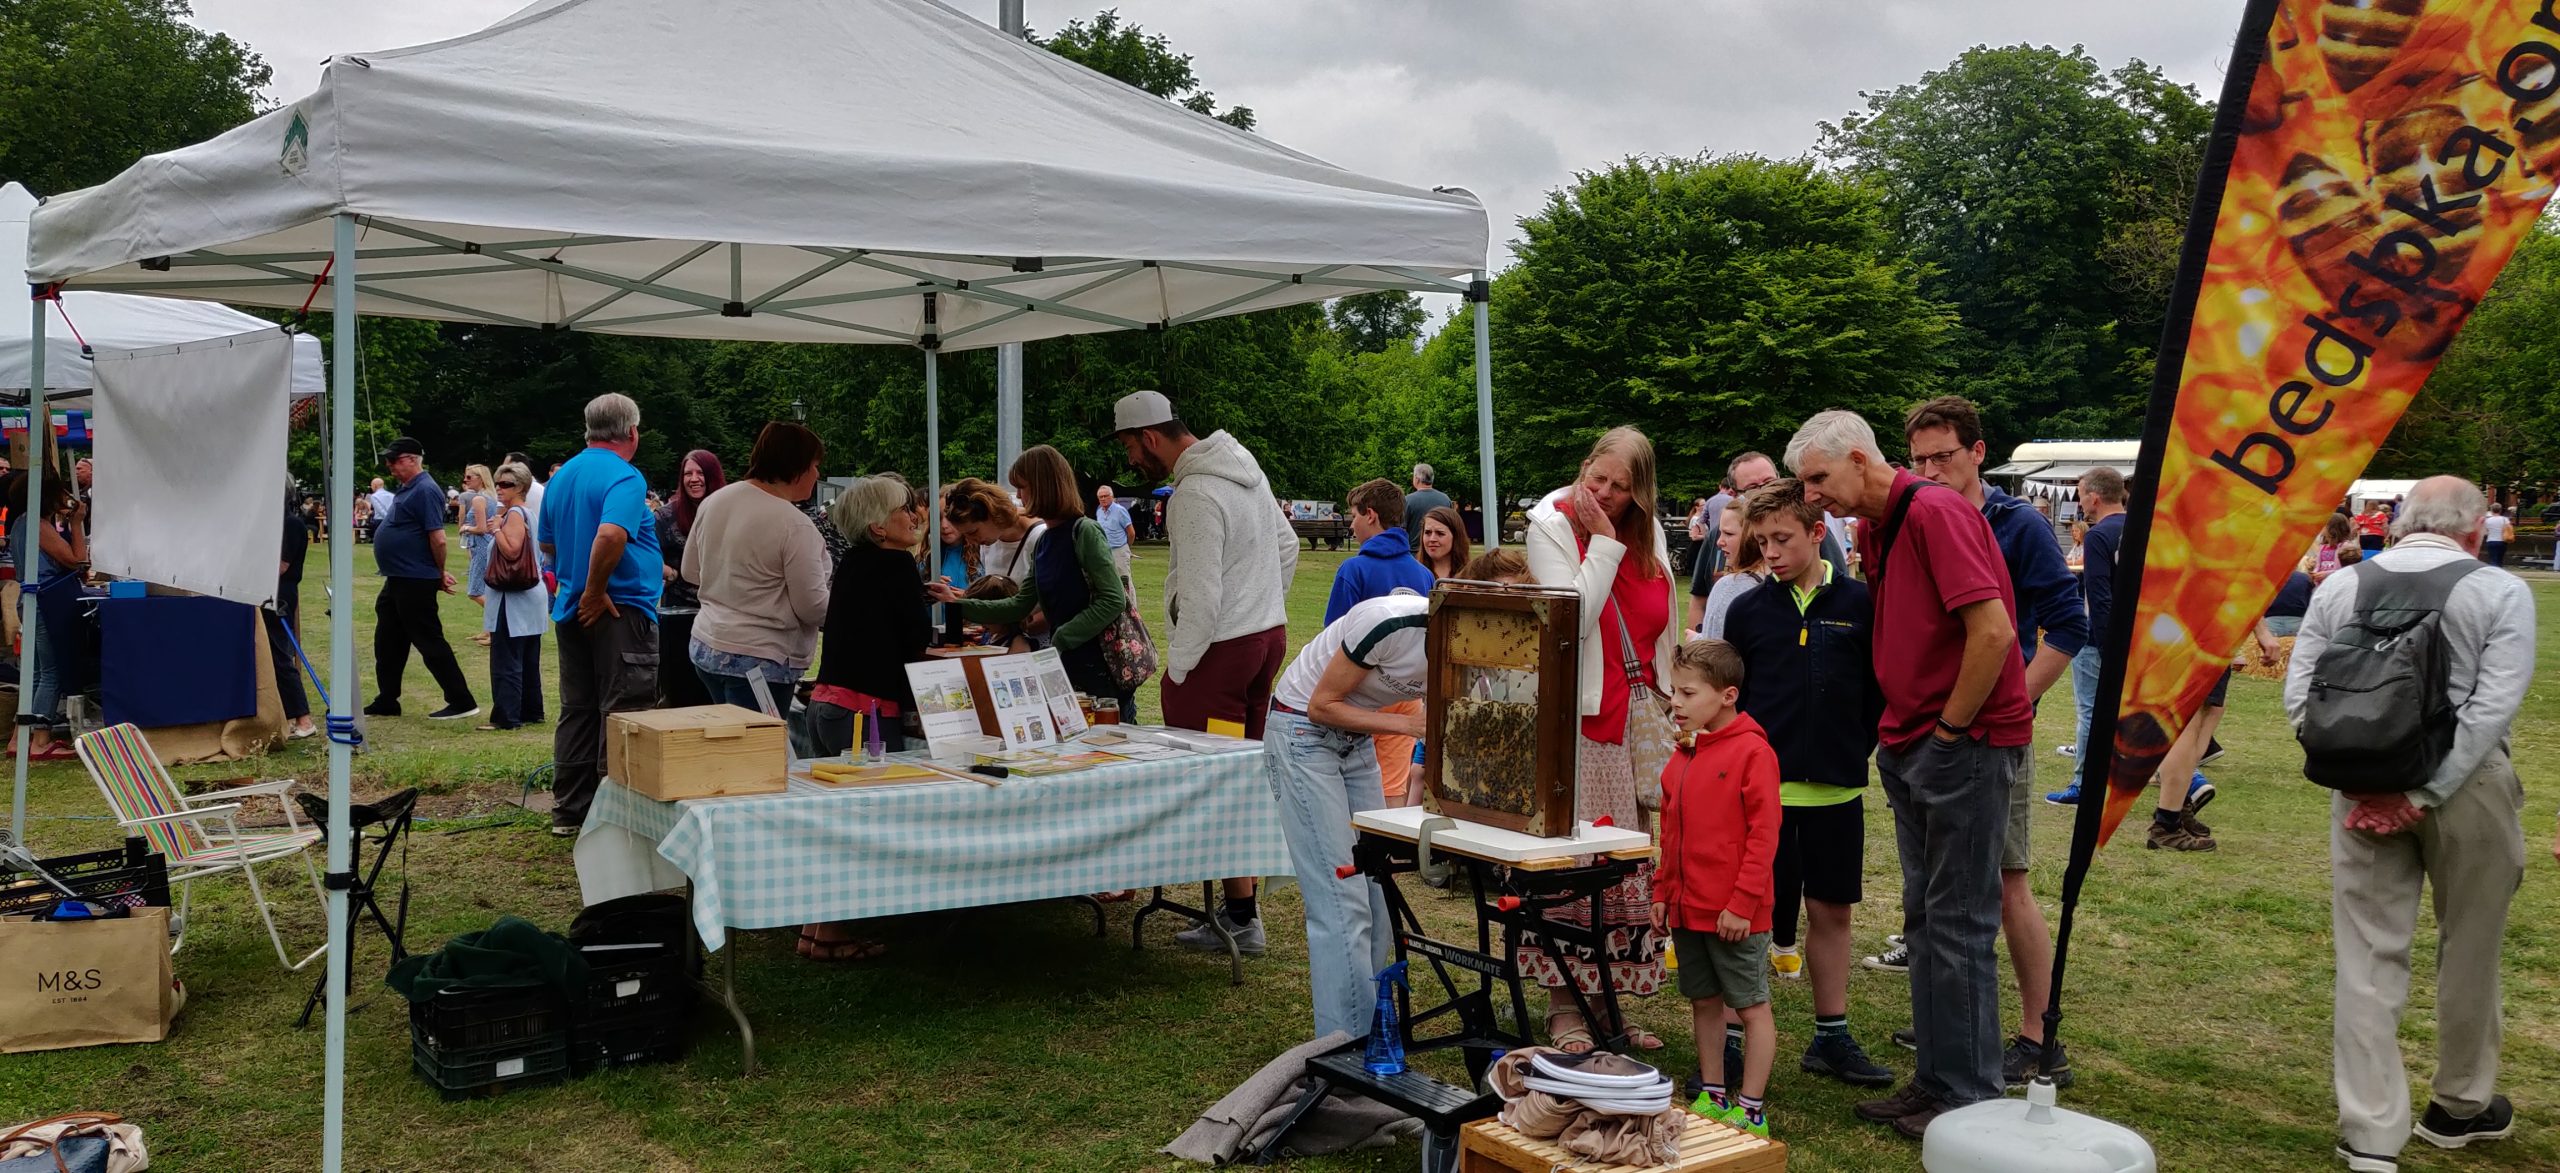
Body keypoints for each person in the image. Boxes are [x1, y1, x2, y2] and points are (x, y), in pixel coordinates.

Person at [1787, 409, 2030, 1140]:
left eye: (1819, 479)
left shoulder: (1934, 514)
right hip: (1915, 738)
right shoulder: (1878, 525)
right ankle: (1936, 1081)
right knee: (1927, 919)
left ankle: (1967, 1096)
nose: (1811, 497)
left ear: (1859, 459)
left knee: (1958, 922)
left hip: (1963, 741)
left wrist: (1949, 731)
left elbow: (1993, 632)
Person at [2286, 476, 2533, 1173]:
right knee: (2471, 944)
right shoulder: (2498, 591)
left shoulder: (2341, 586)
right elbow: (2491, 708)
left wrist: (2361, 778)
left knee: (2367, 956)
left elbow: (2300, 691)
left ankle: (2368, 1129)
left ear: (2398, 520)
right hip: (2468, 787)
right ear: (2476, 524)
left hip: (2363, 787)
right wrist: (2425, 792)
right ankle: (2458, 1102)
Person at [1889, 396, 2087, 1089]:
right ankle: (1955, 1019)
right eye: (1918, 460)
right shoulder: (1915, 513)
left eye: (1943, 455)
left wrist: (2015, 700)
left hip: (1990, 732)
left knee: (2005, 882)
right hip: (1935, 733)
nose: (1931, 470)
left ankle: (2038, 1036)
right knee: (1942, 887)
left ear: (1978, 452)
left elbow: (2068, 624)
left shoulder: (2017, 522)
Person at [1113, 390, 1297, 955]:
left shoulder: (1194, 492)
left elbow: (1200, 594)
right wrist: (1262, 604)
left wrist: (1182, 668)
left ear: (1148, 437)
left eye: (1129, 448)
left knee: (1214, 780)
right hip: (1263, 639)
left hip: (1221, 651)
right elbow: (1287, 547)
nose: (1130, 462)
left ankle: (1241, 917)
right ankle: (1241, 909)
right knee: (1240, 775)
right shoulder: (1247, 470)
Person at [1725, 479, 1894, 1089]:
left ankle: (1831, 1035)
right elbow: (1733, 697)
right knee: (1747, 916)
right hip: (1759, 798)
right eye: (1761, 540)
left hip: (1836, 792)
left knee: (1831, 910)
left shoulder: (1862, 603)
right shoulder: (1748, 610)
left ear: (1817, 534)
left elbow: (1879, 687)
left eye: (1782, 539)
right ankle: (1735, 1039)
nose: (1770, 551)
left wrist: (1855, 745)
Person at [1522, 425, 1677, 1052]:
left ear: (1641, 490)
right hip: (1578, 724)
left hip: (1633, 722)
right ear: (1583, 468)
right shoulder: (1552, 526)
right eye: (1598, 479)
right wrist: (1605, 544)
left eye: (1621, 486)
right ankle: (1565, 1008)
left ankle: (1609, 1004)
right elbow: (1570, 620)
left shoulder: (1652, 532)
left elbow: (1660, 623)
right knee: (1576, 867)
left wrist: (1670, 694)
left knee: (1621, 871)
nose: (1606, 493)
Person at [1263, 588, 1432, 1041]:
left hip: (1354, 739)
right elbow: (1322, 706)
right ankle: (1346, 1052)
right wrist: (1407, 725)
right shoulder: (1389, 623)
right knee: (1341, 899)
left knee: (1377, 889)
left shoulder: (1480, 643)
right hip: (1302, 730)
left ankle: (1369, 1033)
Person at [1652, 638, 1781, 1139]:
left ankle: (1751, 1105)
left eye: (1687, 694)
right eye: (1673, 693)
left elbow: (1764, 836)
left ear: (1727, 695)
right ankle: (1713, 1092)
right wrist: (1664, 893)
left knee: (1749, 1007)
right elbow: (1671, 831)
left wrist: (1742, 904)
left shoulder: (1754, 753)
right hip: (1688, 909)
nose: (1675, 704)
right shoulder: (1683, 754)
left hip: (1735, 915)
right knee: (1703, 1001)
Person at [540, 395, 663, 837]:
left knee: (577, 709)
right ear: (632, 432)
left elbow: (549, 546)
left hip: (571, 607)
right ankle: (618, 818)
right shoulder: (625, 476)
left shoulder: (562, 476)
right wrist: (596, 591)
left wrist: (576, 586)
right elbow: (611, 534)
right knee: (624, 711)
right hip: (618, 610)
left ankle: (570, 810)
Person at [939, 450, 1138, 719]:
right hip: (1067, 668)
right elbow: (1019, 604)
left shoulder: (1084, 532)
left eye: (1022, 487)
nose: (1018, 496)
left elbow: (1113, 599)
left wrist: (1063, 636)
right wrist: (958, 605)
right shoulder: (1046, 541)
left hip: (1101, 672)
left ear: (1044, 484)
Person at [683, 423, 831, 712]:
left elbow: (691, 571)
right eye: (815, 465)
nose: (818, 475)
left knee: (732, 750)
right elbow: (812, 607)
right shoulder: (794, 524)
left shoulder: (715, 501)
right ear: (796, 467)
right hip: (761, 660)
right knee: (758, 753)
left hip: (707, 646)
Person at [813, 476, 932, 757]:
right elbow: (916, 637)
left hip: (825, 705)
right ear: (878, 527)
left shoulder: (853, 559)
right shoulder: (899, 563)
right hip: (865, 713)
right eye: (904, 509)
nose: (914, 516)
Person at [362, 438, 477, 722]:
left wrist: (438, 572)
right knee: (388, 638)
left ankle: (461, 700)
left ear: (413, 459)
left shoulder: (425, 490)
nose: (389, 466)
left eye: (395, 460)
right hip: (399, 577)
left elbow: (437, 538)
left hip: (414, 578)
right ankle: (387, 698)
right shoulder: (407, 489)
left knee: (427, 638)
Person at [1690, 452, 1848, 633]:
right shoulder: (1718, 537)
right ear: (1736, 494)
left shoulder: (1810, 532)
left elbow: (1838, 592)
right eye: (1753, 487)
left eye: (1770, 482)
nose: (1772, 552)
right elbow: (1699, 597)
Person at [5, 474, 85, 760]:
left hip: (30, 598)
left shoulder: (20, 522)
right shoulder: (37, 525)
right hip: (46, 599)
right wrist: (76, 523)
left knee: (35, 672)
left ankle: (19, 738)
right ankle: (40, 739)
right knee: (50, 672)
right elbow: (76, 560)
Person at [2056, 468, 2130, 776]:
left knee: (2089, 710)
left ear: (2094, 498)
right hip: (2137, 632)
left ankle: (2082, 781)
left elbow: (2098, 596)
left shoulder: (2098, 535)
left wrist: (2105, 644)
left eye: (2081, 495)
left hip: (2099, 638)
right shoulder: (2143, 527)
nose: (2080, 503)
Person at [651, 449, 725, 708]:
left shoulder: (727, 512)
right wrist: (671, 572)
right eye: (687, 473)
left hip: (722, 615)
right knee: (682, 691)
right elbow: (647, 553)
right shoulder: (666, 515)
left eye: (700, 472)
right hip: (680, 616)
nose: (693, 479)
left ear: (713, 476)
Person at [478, 463, 549, 731]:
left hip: (514, 597)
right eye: (497, 483)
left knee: (506, 658)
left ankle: (507, 716)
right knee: (528, 658)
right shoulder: (528, 513)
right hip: (530, 595)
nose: (499, 488)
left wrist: (496, 529)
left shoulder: (515, 515)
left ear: (521, 487)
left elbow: (511, 550)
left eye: (506, 484)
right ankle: (532, 710)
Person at [1325, 478, 1435, 624]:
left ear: (1370, 515)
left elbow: (1333, 635)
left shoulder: (1353, 570)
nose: (1352, 524)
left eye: (1354, 516)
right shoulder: (1426, 575)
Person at [269, 484, 318, 741]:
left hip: (280, 595)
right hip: (270, 593)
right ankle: (285, 715)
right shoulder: (275, 523)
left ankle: (304, 718)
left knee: (280, 656)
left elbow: (281, 566)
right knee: (271, 655)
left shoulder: (291, 524)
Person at [1696, 496, 1766, 640]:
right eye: (1720, 532)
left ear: (1753, 536)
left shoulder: (1730, 587)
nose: (1719, 542)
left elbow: (1714, 650)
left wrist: (1696, 640)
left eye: (1728, 534)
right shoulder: (1785, 582)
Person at [457, 464, 498, 646]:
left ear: (480, 478)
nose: (465, 481)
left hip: (481, 546)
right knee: (487, 589)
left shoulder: (479, 500)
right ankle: (488, 630)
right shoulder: (490, 498)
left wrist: (465, 527)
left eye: (469, 478)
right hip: (486, 545)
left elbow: (481, 529)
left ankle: (496, 628)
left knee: (474, 591)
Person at [1096, 483, 1137, 592]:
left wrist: (1126, 547)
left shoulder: (1120, 510)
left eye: (1106, 496)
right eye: (1101, 497)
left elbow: (1131, 533)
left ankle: (1131, 608)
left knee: (1124, 581)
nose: (1103, 499)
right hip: (1105, 551)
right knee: (1109, 581)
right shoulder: (1099, 512)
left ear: (1112, 497)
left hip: (1119, 550)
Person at [1413, 505, 1470, 581]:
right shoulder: (1412, 573)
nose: (1432, 539)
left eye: (1440, 533)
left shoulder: (1471, 576)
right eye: (1428, 533)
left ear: (1456, 537)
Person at [1403, 463, 1452, 545]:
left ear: (1417, 479)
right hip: (1439, 548)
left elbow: (1402, 529)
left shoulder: (1407, 500)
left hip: (1415, 552)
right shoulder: (1445, 499)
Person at [2310, 513, 2354, 583]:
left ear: (2333, 529)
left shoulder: (2345, 546)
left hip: (2336, 583)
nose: (2321, 528)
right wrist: (2314, 574)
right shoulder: (2322, 547)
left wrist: (2326, 574)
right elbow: (2318, 566)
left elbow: (2345, 570)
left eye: (2324, 525)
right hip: (2321, 584)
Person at [2481, 503, 2512, 567]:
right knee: (2500, 559)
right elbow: (2509, 529)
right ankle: (2499, 570)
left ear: (2491, 510)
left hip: (2491, 541)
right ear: (2500, 510)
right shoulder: (2505, 519)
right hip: (2502, 541)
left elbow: (2485, 531)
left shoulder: (2487, 520)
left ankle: (2494, 570)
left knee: (2493, 559)